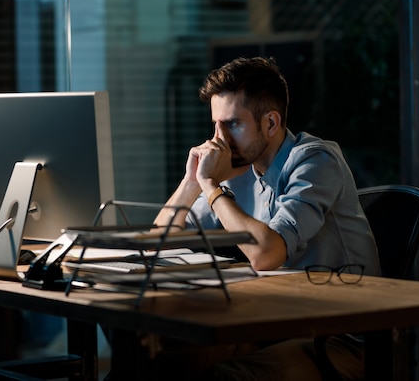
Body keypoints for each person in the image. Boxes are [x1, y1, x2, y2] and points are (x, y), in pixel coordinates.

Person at [150, 56, 380, 381]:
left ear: (270, 123)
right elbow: (159, 242)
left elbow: (266, 254)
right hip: (274, 325)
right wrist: (191, 182)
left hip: (339, 339)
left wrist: (210, 186)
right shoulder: (239, 169)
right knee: (155, 359)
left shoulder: (316, 161)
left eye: (232, 124)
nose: (219, 140)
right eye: (215, 124)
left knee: (224, 377)